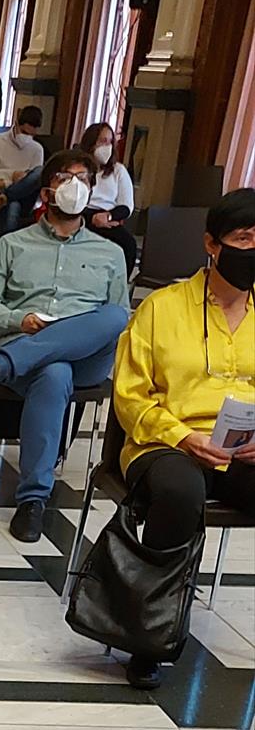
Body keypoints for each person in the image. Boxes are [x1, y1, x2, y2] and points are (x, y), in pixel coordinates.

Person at [113, 186, 255, 688]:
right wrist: (181, 436)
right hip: (165, 442)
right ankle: (148, 638)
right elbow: (130, 397)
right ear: (212, 244)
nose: (254, 250)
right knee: (180, 492)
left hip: (242, 448)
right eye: (245, 238)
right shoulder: (163, 307)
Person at [0, 148, 130, 541]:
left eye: (83, 180)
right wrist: (20, 320)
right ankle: (33, 501)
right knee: (54, 372)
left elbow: (117, 320)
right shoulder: (12, 244)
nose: (75, 187)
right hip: (31, 350)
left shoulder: (111, 253)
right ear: (47, 191)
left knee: (117, 317)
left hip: (86, 357)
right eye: (66, 179)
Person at [0, 104, 45, 234]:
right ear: (16, 124)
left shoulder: (37, 149)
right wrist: (11, 175)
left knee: (39, 171)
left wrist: (7, 183)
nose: (26, 138)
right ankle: (6, 241)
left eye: (31, 135)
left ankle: (4, 198)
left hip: (24, 196)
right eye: (24, 133)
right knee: (13, 205)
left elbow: (32, 182)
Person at [78, 121, 138, 277]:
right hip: (81, 215)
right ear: (91, 143)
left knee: (128, 244)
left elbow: (126, 206)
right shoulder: (78, 169)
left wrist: (108, 216)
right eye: (103, 141)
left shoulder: (118, 170)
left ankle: (120, 284)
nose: (107, 146)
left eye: (110, 142)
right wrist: (92, 218)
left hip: (108, 217)